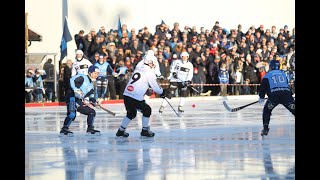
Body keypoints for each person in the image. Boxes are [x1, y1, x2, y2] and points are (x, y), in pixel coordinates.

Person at [115, 53, 171, 138]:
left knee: (131, 113)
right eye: (153, 63)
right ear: (149, 62)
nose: (154, 65)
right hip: (135, 96)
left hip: (127, 94)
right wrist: (163, 92)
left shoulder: (138, 68)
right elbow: (155, 87)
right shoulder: (149, 72)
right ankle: (145, 130)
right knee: (147, 110)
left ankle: (121, 131)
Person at [60, 65, 101, 136]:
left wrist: (95, 102)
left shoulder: (91, 85)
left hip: (78, 100)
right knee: (72, 114)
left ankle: (90, 128)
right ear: (90, 73)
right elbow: (71, 80)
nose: (96, 75)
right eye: (95, 73)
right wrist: (75, 89)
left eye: (97, 74)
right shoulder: (83, 77)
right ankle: (64, 130)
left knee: (91, 112)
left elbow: (91, 97)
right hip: (71, 97)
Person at [258, 60, 295, 136]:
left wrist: (261, 97)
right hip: (286, 95)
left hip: (274, 96)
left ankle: (265, 128)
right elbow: (286, 84)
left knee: (267, 111)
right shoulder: (283, 74)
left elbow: (262, 87)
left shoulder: (267, 75)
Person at [159, 51, 193, 115]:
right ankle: (162, 106)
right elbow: (171, 69)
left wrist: (188, 81)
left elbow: (190, 74)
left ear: (188, 57)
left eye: (186, 57)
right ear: (181, 57)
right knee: (170, 93)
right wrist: (173, 73)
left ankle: (180, 106)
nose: (184, 58)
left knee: (184, 93)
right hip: (174, 80)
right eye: (183, 57)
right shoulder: (176, 62)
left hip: (183, 81)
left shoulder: (190, 65)